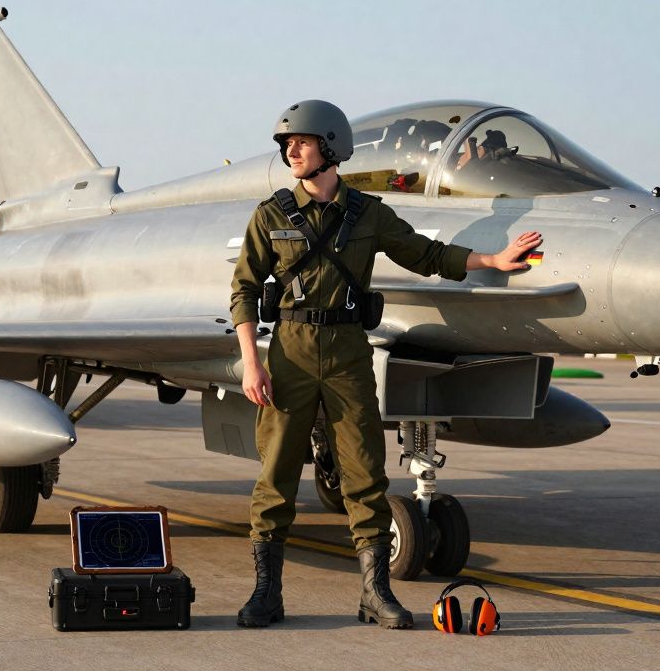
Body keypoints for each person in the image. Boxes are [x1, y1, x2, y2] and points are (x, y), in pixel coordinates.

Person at [229, 100, 541, 629]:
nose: (290, 151)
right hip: (290, 352)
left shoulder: (368, 214)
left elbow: (425, 254)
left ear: (330, 147)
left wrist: (490, 260)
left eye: (301, 142)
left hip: (349, 352)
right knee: (277, 473)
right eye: (287, 144)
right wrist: (251, 363)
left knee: (364, 474)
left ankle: (375, 593)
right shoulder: (271, 214)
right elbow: (243, 289)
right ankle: (267, 594)